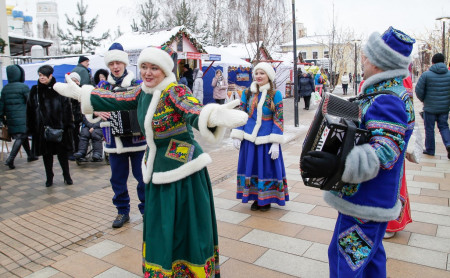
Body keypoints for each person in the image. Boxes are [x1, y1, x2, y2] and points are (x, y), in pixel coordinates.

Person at [54, 45, 247, 277]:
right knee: (160, 226)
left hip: (183, 170)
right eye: (144, 67)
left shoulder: (175, 90)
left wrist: (212, 115)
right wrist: (80, 94)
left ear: (165, 70)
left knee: (186, 226)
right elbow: (114, 97)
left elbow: (191, 109)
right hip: (155, 167)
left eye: (153, 68)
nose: (147, 72)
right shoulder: (141, 92)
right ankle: (162, 269)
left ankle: (190, 270)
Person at [300, 26, 415, 277]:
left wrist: (337, 166)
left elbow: (386, 151)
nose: (362, 59)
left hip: (366, 199)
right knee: (370, 259)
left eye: (365, 55)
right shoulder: (385, 93)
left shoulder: (387, 99)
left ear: (379, 61)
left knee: (344, 261)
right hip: (369, 198)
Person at [98, 42, 147, 228]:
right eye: (111, 64)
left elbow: (147, 105)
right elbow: (89, 104)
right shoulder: (102, 86)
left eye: (118, 63)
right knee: (117, 179)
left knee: (142, 178)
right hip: (113, 142)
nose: (115, 67)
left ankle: (146, 210)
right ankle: (122, 211)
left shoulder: (138, 84)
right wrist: (96, 112)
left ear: (125, 63)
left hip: (137, 142)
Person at [231, 62, 288, 212]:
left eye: (262, 73)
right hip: (249, 139)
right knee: (251, 168)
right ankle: (255, 198)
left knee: (266, 169)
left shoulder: (275, 94)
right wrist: (237, 133)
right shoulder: (247, 93)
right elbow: (241, 114)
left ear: (268, 76)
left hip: (267, 139)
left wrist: (276, 141)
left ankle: (266, 199)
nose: (258, 76)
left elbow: (279, 118)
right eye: (256, 73)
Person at [27, 65, 74, 187]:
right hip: (42, 129)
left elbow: (67, 108)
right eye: (40, 75)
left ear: (50, 76)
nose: (41, 78)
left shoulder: (59, 88)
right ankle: (49, 177)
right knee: (46, 155)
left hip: (59, 128)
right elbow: (30, 109)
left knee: (62, 154)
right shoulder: (35, 90)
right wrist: (32, 127)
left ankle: (66, 175)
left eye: (43, 75)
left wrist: (67, 125)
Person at [0, 65, 38, 169]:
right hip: (23, 117)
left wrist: (3, 120)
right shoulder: (23, 87)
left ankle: (30, 156)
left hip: (11, 118)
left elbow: (1, 106)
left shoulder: (5, 89)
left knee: (22, 136)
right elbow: (31, 102)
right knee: (20, 136)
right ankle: (10, 159)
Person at [415, 53, 450, 159]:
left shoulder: (426, 75)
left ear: (432, 62)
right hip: (444, 107)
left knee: (429, 129)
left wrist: (423, 100)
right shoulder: (449, 74)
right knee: (444, 126)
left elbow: (418, 90)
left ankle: (430, 149)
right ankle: (448, 144)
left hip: (429, 107)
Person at [67, 72, 83, 161]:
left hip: (78, 117)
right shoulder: (66, 91)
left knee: (77, 135)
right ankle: (69, 152)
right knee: (70, 136)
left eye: (76, 81)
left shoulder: (81, 90)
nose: (74, 82)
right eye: (72, 80)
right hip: (69, 117)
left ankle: (77, 151)